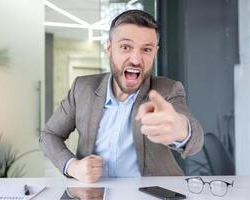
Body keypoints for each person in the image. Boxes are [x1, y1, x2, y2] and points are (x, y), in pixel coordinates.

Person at [39, 9, 204, 183]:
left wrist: (181, 130)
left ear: (155, 52)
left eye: (146, 49)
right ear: (109, 48)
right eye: (126, 47)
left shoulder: (167, 90)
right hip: (94, 193)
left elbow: (195, 140)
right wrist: (72, 166)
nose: (135, 59)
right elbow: (49, 135)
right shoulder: (82, 88)